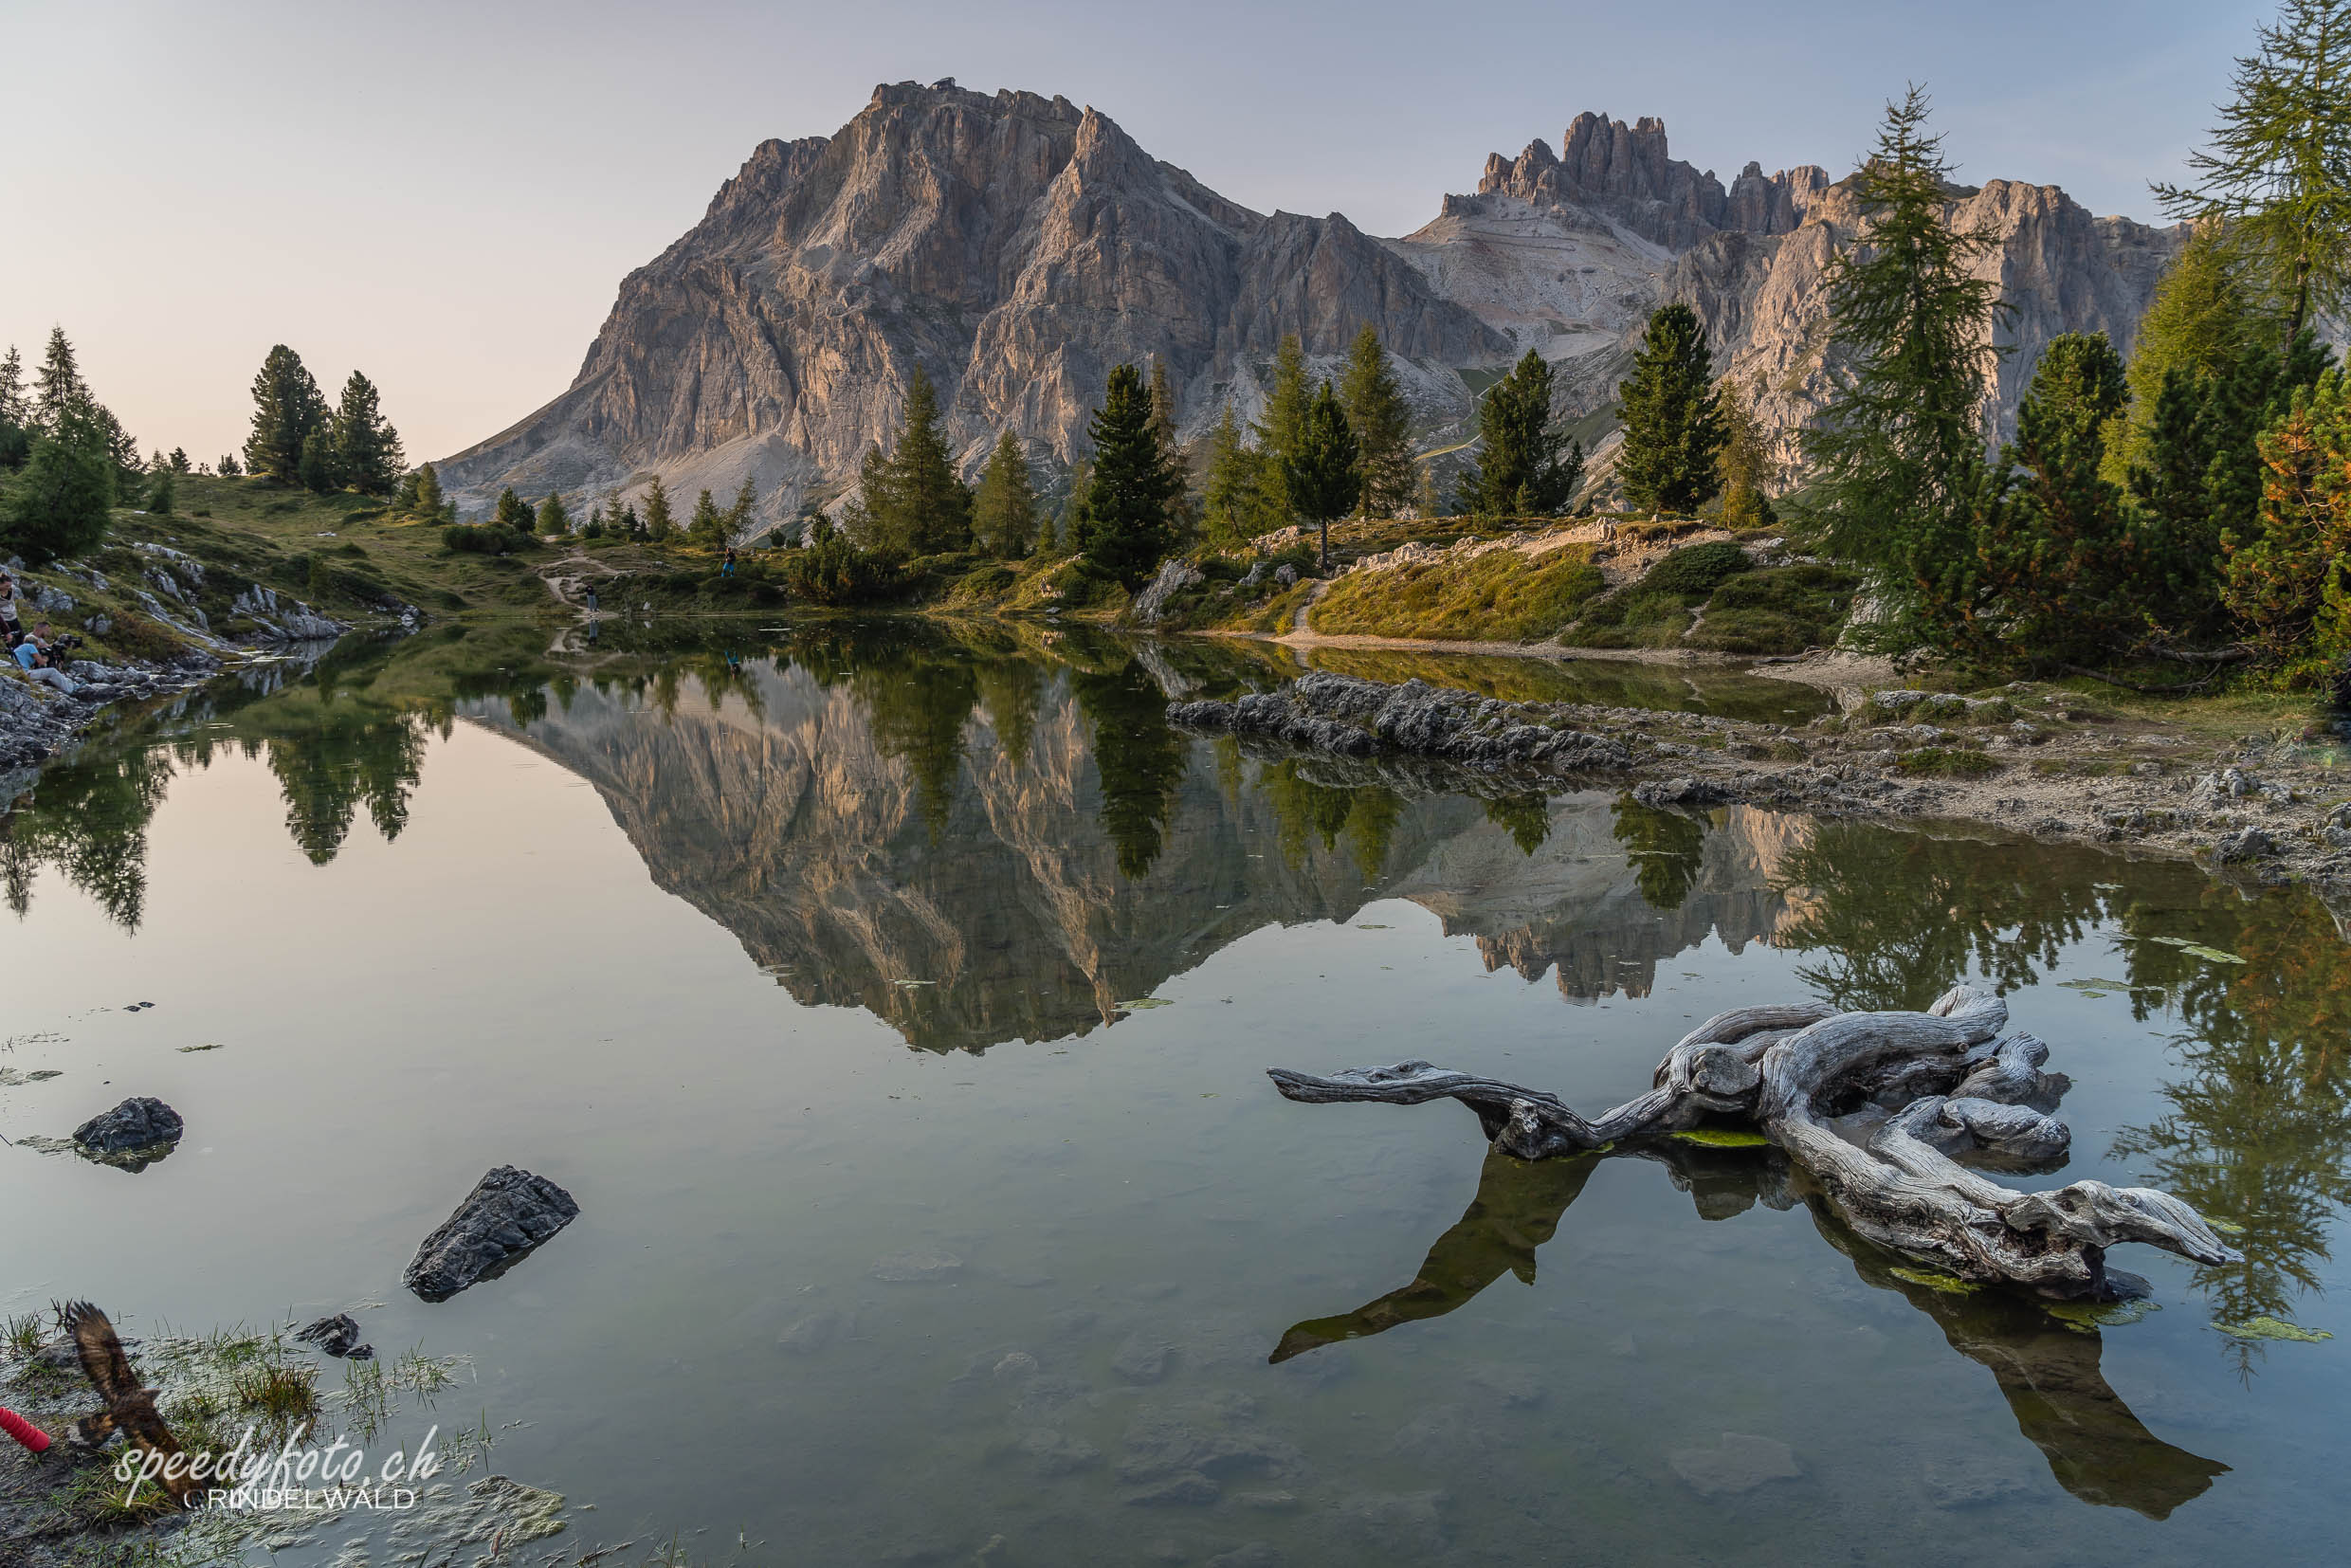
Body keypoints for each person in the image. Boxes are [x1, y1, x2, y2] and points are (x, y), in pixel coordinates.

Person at [12, 623, 79, 695]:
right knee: (52, 671)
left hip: (18, 672)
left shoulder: (20, 648)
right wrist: (46, 658)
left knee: (56, 675)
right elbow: (41, 662)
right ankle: (71, 690)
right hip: (25, 674)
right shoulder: (30, 646)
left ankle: (70, 685)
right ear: (35, 643)